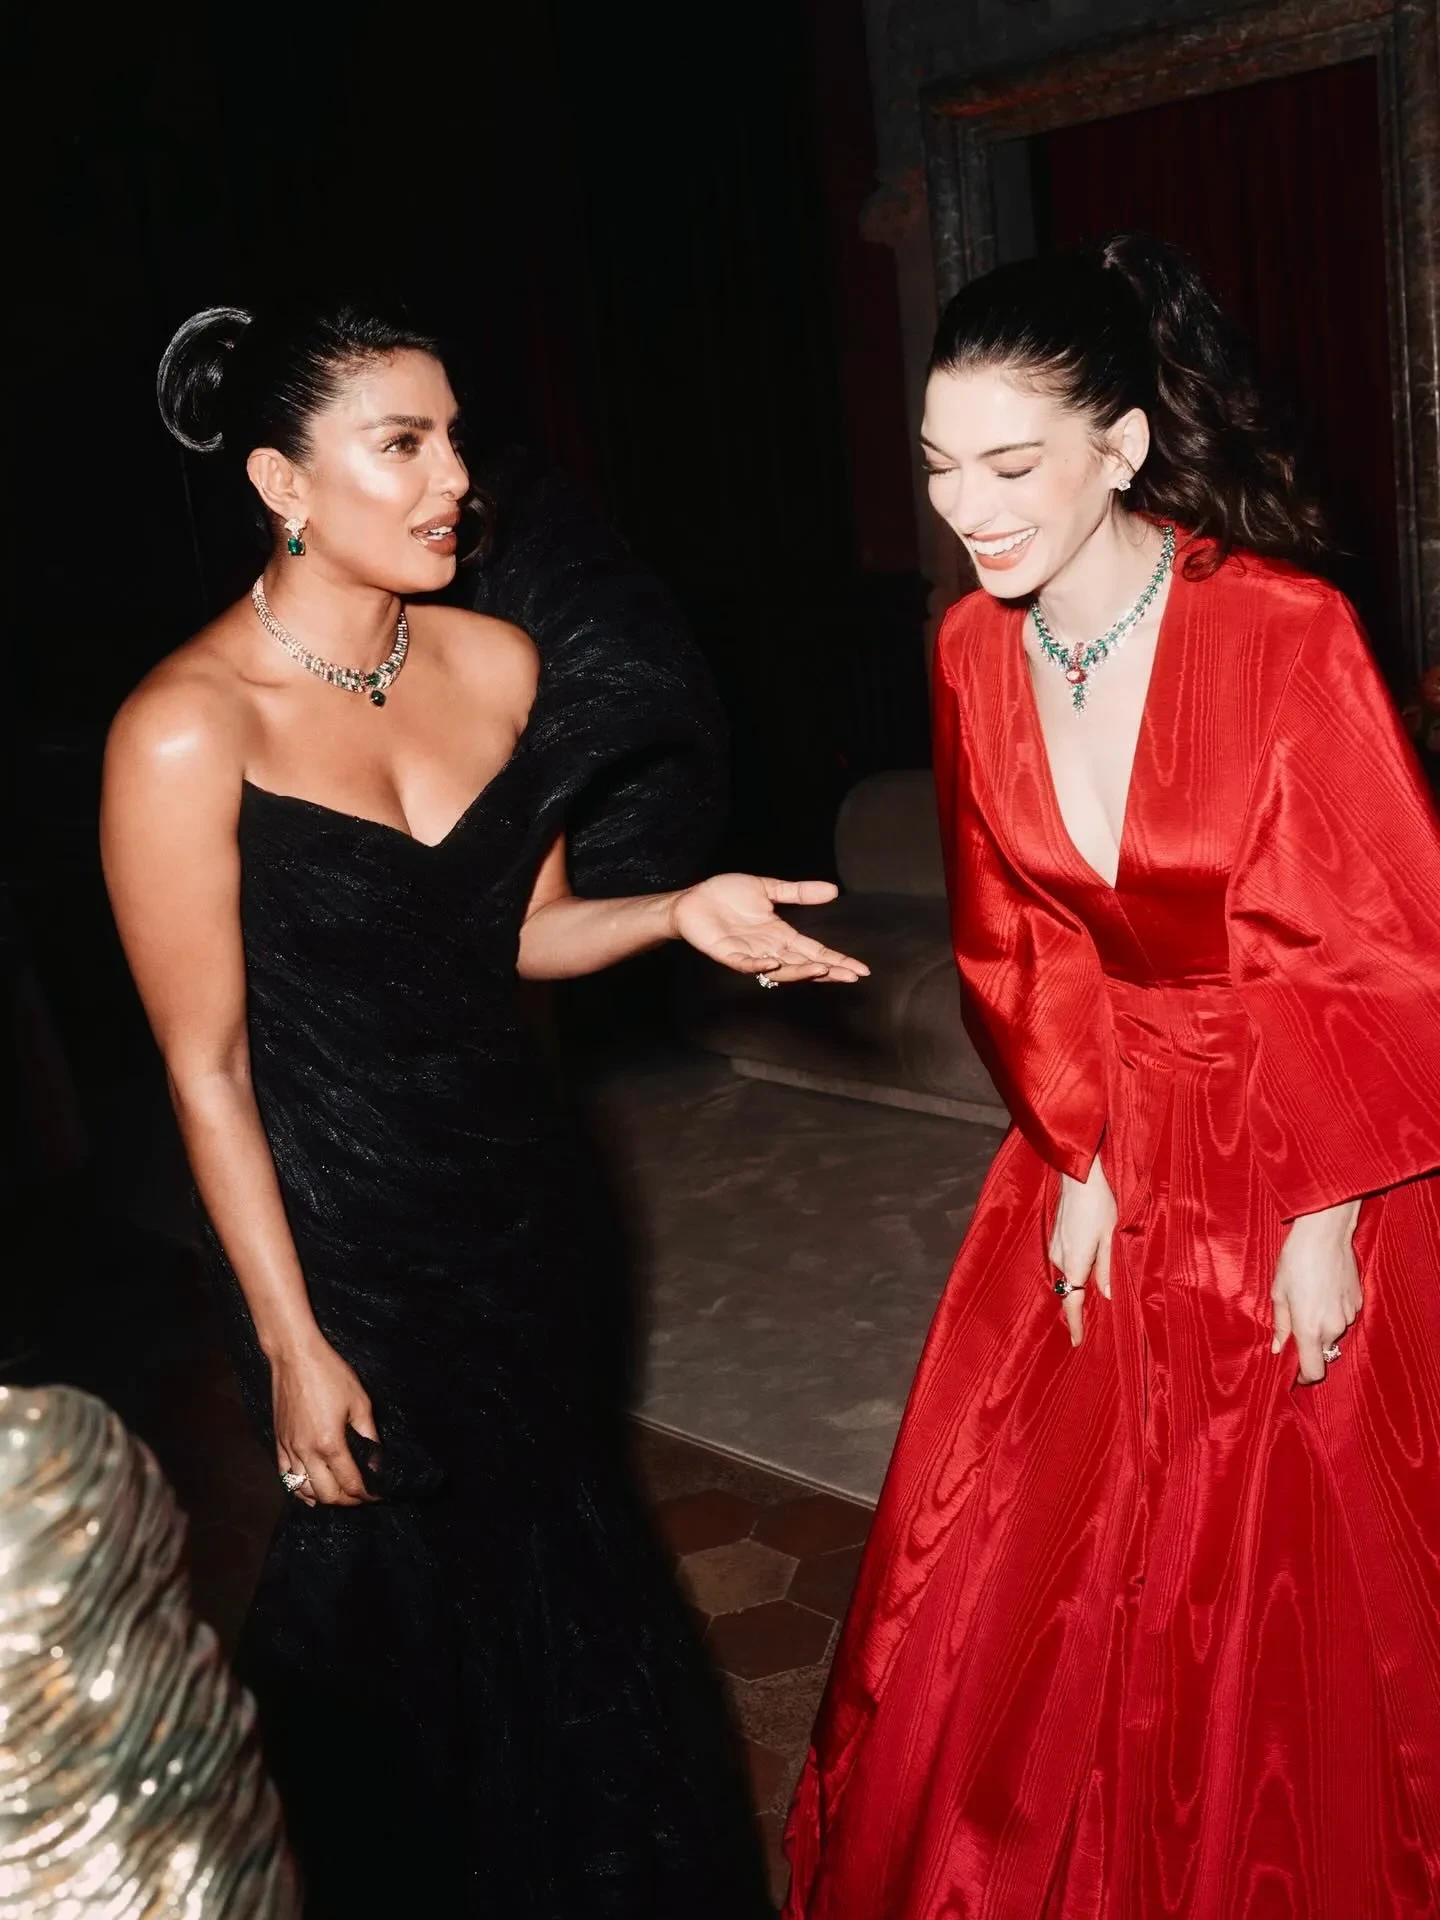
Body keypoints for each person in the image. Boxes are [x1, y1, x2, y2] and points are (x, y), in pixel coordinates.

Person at [100, 292, 869, 1919]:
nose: (455, 477)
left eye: (452, 437)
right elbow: (205, 1067)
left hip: (523, 1202)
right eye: (403, 444)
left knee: (562, 1562)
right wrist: (292, 1345)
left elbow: (523, 932)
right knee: (388, 1600)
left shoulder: (501, 661)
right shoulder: (183, 730)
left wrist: (675, 912)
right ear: (281, 483)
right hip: (341, 1240)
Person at [784, 236, 1440, 1918]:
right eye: (941, 465)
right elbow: (1015, 936)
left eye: (1013, 466)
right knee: (1031, 1567)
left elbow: (1377, 940)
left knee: (1303, 1596)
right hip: (1110, 1125)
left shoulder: (1282, 628)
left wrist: (1327, 1207)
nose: (968, 509)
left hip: (1316, 1128)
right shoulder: (968, 650)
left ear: (1125, 444)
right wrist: (1077, 1152)